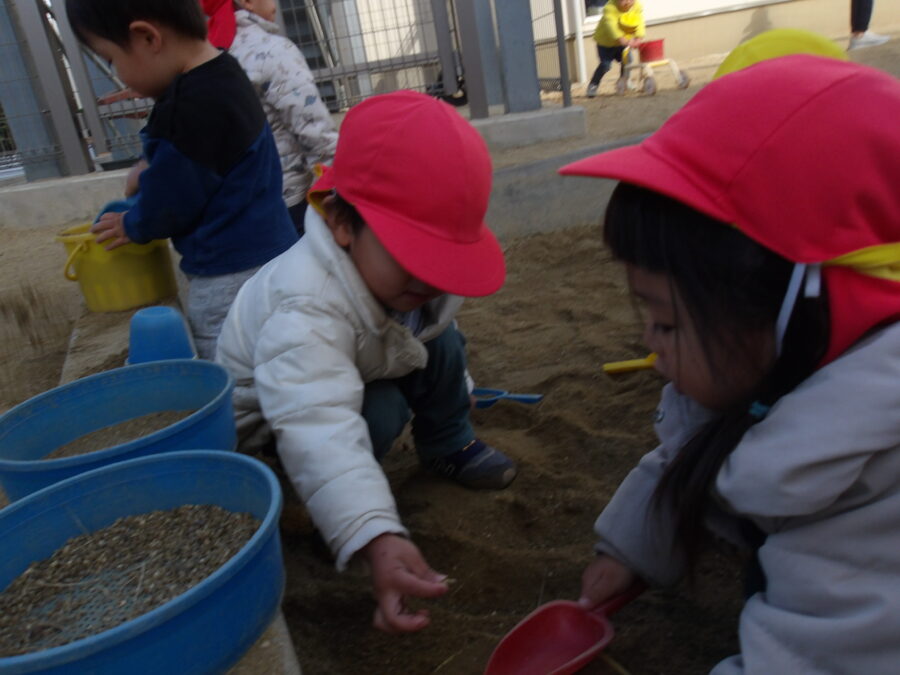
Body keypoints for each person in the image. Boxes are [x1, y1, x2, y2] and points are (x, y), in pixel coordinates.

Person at [560, 55, 900, 672]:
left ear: (795, 311)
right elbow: (699, 447)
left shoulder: (875, 498)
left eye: (666, 322)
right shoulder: (787, 367)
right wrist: (632, 548)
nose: (649, 340)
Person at [215, 90, 518, 633]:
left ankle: (448, 444)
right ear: (341, 223)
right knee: (378, 413)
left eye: (443, 259)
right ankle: (309, 498)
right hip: (273, 419)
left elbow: (430, 330)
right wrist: (373, 533)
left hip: (357, 359)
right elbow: (316, 420)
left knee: (444, 346)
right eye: (411, 253)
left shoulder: (407, 284)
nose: (427, 276)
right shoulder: (306, 304)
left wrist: (459, 383)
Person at [65, 0, 298, 360]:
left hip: (228, 271)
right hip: (278, 252)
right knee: (285, 348)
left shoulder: (188, 107)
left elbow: (172, 200)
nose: (120, 75)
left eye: (112, 60)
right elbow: (205, 156)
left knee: (228, 356)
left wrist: (132, 223)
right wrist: (150, 164)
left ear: (147, 38)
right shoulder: (225, 71)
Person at [201, 0, 338, 233]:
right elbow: (315, 132)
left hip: (237, 207)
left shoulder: (209, 57)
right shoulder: (273, 51)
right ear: (247, 2)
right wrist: (333, 190)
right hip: (289, 202)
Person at [586, 0, 645, 98]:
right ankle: (593, 85)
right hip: (606, 43)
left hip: (623, 42)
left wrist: (639, 37)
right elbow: (612, 28)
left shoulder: (636, 6)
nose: (627, 2)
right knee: (605, 65)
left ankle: (624, 81)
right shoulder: (610, 8)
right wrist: (622, 39)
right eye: (623, 0)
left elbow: (639, 23)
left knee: (627, 61)